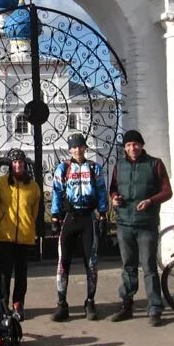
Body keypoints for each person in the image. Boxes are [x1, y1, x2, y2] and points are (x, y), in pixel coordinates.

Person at [108, 129, 172, 326]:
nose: (132, 148)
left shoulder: (155, 164)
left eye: (135, 144)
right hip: (124, 224)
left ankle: (155, 308)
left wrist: (151, 201)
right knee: (128, 266)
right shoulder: (119, 165)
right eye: (128, 145)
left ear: (142, 145)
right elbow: (113, 189)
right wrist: (114, 199)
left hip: (146, 224)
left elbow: (167, 191)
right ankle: (127, 305)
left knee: (149, 266)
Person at [50, 132, 109, 322]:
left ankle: (90, 302)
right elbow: (57, 192)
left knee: (91, 262)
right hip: (69, 218)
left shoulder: (94, 168)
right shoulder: (63, 168)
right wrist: (54, 216)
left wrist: (103, 214)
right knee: (63, 262)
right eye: (74, 147)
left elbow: (101, 190)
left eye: (80, 146)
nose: (77, 150)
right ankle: (62, 304)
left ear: (85, 147)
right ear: (70, 150)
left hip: (88, 219)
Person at [0, 148, 41, 321]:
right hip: (5, 235)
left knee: (21, 272)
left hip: (24, 235)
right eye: (15, 162)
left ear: (24, 164)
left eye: (20, 162)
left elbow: (34, 210)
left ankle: (18, 303)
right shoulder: (0, 184)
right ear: (10, 165)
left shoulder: (32, 186)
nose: (18, 165)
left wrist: (28, 225)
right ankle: (2, 303)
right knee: (4, 272)